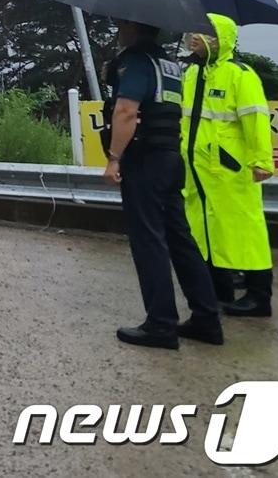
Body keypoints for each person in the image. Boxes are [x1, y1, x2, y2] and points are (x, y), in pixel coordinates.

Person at [102, 19, 222, 349]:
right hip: (170, 157)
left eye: (121, 24)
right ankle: (206, 319)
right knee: (179, 238)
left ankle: (161, 324)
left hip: (144, 159)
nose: (117, 30)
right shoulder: (170, 64)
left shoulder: (136, 61)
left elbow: (126, 111)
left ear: (134, 27)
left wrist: (114, 157)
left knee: (148, 241)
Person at [180, 14, 275, 317]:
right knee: (207, 232)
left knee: (245, 230)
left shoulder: (239, 75)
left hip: (231, 169)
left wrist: (262, 161)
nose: (194, 37)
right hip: (198, 169)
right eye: (193, 32)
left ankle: (260, 296)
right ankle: (219, 290)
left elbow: (256, 119)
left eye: (204, 33)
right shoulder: (193, 74)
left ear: (221, 38)